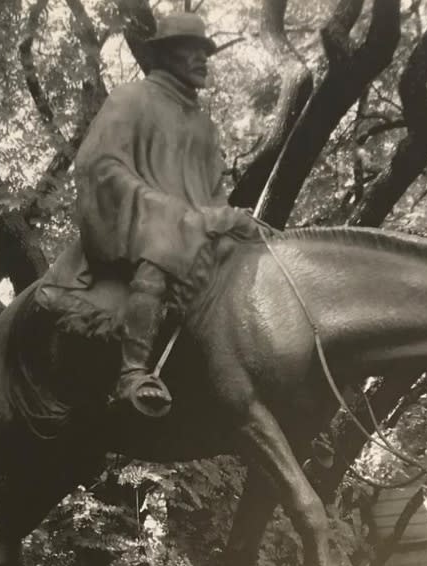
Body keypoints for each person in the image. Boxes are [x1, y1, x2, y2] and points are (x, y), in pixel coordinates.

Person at [74, 12, 263, 417]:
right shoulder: (131, 98)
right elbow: (99, 166)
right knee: (163, 249)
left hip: (196, 228)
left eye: (204, 52)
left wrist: (230, 217)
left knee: (260, 249)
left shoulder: (206, 129)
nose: (202, 59)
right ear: (166, 54)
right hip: (145, 221)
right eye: (191, 50)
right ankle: (132, 373)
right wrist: (166, 210)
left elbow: (213, 195)